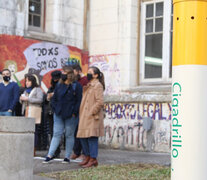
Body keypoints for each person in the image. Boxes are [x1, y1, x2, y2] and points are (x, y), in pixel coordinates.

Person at [43, 66, 82, 163]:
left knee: (69, 135)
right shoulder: (59, 85)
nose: (62, 73)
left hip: (71, 115)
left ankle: (67, 156)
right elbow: (55, 98)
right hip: (59, 113)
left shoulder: (76, 86)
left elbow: (78, 101)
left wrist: (74, 112)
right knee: (56, 134)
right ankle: (50, 154)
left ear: (70, 74)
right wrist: (55, 109)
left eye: (64, 72)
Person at [77, 66, 105, 168]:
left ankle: (93, 158)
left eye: (90, 72)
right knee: (83, 137)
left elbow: (100, 101)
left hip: (93, 116)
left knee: (91, 138)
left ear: (96, 75)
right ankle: (88, 156)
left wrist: (91, 112)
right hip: (84, 116)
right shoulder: (89, 85)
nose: (88, 74)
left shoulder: (98, 85)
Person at [20, 74, 44, 155]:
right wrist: (21, 99)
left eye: (28, 81)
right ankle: (27, 147)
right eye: (26, 81)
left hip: (34, 111)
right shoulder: (25, 90)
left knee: (34, 130)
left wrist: (28, 98)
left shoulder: (37, 89)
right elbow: (22, 101)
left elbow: (40, 100)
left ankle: (34, 149)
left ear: (33, 81)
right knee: (26, 130)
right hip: (26, 111)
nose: (27, 83)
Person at [70, 64, 89, 160]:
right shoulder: (75, 81)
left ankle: (84, 153)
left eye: (73, 72)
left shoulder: (85, 80)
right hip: (77, 109)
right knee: (76, 131)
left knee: (82, 132)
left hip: (84, 108)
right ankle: (76, 151)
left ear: (78, 71)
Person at [43, 70, 62, 155]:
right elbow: (46, 99)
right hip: (51, 112)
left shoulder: (63, 86)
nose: (55, 81)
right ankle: (54, 150)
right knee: (51, 131)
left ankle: (56, 150)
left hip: (59, 112)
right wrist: (48, 97)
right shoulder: (51, 88)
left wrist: (53, 95)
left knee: (57, 132)